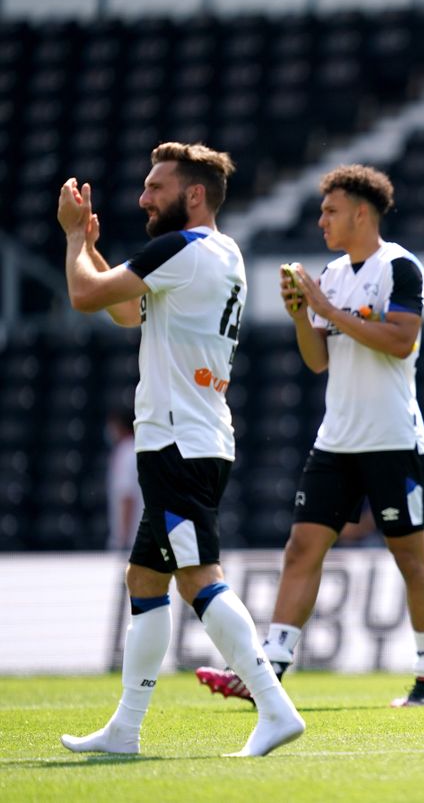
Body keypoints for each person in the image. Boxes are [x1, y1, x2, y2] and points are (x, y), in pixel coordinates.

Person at [56, 142, 304, 757]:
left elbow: (87, 298)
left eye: (155, 188)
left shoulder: (181, 248)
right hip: (197, 436)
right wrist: (91, 249)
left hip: (178, 441)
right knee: (145, 578)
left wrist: (69, 240)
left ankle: (274, 708)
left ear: (193, 195)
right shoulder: (222, 253)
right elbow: (126, 313)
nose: (143, 198)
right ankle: (126, 729)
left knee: (198, 580)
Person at [196, 164, 424, 708]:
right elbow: (318, 361)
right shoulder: (331, 274)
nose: (321, 220)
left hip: (391, 438)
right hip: (336, 439)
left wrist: (326, 309)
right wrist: (299, 316)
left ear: (362, 212)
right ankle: (271, 670)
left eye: (331, 210)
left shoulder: (400, 267)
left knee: (410, 558)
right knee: (302, 548)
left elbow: (400, 341)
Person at [105, 408, 143, 552]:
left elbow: (127, 496)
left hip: (129, 541)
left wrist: (123, 539)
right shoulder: (139, 450)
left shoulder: (125, 453)